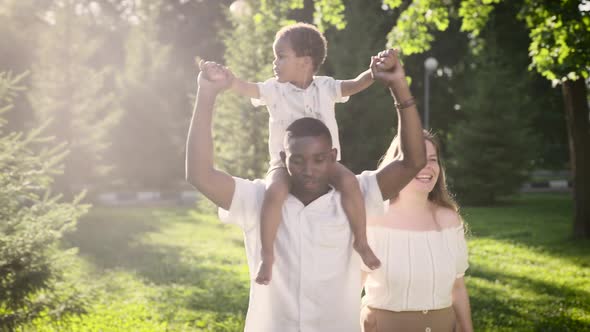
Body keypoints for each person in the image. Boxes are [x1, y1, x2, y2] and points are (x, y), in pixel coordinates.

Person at [186, 49, 425, 331]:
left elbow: (412, 162)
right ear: (284, 158)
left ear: (333, 156)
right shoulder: (260, 200)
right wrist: (207, 94)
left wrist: (399, 86)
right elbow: (200, 174)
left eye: (319, 159)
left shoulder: (355, 196)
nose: (308, 170)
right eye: (297, 160)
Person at [204, 23, 392, 284]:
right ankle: (267, 255)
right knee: (274, 193)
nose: (275, 62)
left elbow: (353, 85)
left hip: (326, 162)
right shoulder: (274, 89)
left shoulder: (325, 87)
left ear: (305, 61)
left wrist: (373, 73)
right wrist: (228, 80)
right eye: (275, 57)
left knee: (350, 183)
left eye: (281, 56)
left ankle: (361, 242)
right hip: (284, 163)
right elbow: (246, 87)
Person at [360, 131, 474, 332]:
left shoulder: (449, 219)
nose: (427, 166)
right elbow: (350, 291)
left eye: (432, 159)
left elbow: (458, 288)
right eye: (418, 159)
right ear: (397, 165)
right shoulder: (372, 219)